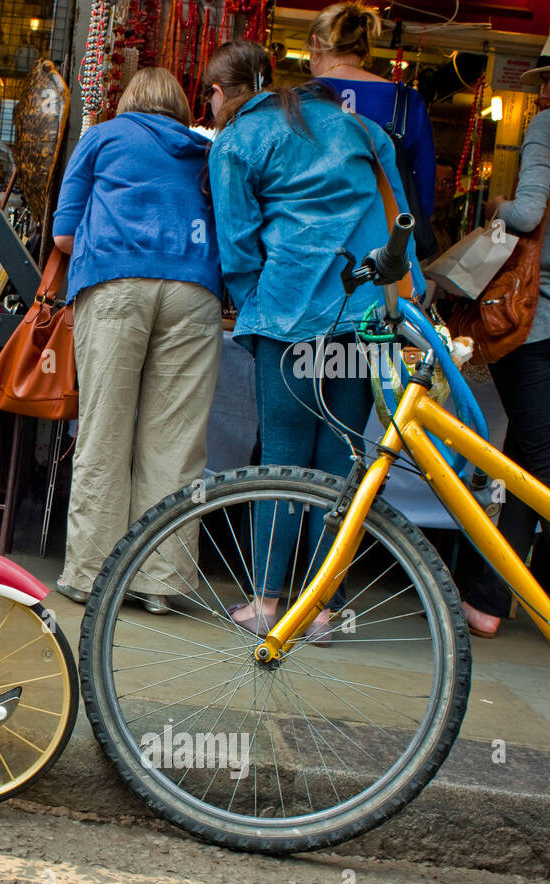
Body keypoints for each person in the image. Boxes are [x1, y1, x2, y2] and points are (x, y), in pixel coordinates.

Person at [205, 40, 423, 642]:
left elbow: (240, 247)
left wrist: (254, 306)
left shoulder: (236, 143)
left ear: (223, 93)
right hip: (360, 314)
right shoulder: (359, 127)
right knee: (342, 463)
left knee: (280, 461)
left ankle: (267, 603)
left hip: (287, 312)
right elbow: (397, 216)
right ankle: (324, 608)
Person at [52, 67, 224, 610]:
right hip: (195, 289)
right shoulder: (204, 148)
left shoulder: (102, 137)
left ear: (129, 101)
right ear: (178, 105)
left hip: (115, 283)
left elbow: (62, 233)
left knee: (104, 432)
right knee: (175, 444)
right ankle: (161, 584)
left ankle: (89, 576)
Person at [461, 56, 550, 638]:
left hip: (536, 317)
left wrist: (492, 206)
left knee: (538, 465)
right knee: (521, 459)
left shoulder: (547, 124)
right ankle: (490, 601)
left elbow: (527, 211)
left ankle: (502, 600)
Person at [309, 1, 436, 251]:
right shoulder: (405, 102)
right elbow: (424, 195)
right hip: (382, 256)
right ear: (364, 47)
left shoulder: (292, 102)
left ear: (315, 44)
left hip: (310, 250)